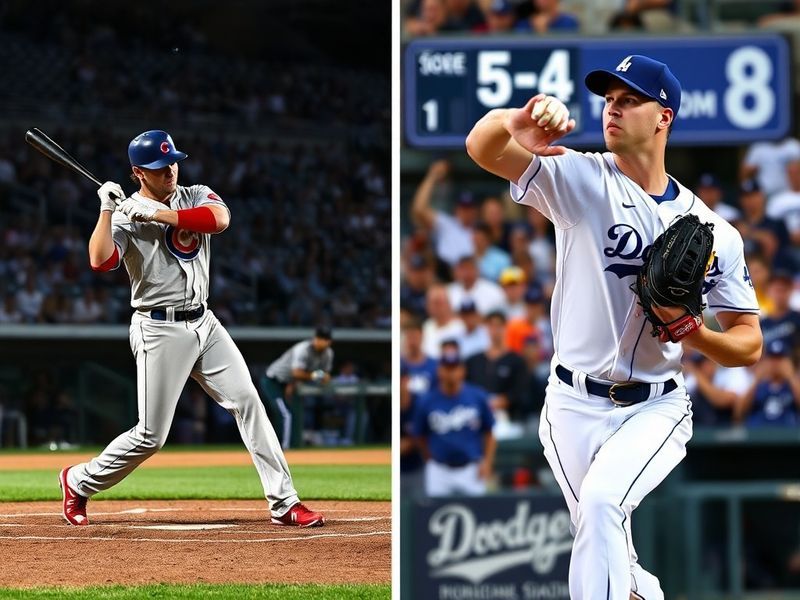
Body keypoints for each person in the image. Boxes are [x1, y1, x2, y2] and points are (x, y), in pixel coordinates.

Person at [466, 54, 762, 599]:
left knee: (602, 506)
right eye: (608, 100)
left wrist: (695, 334)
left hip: (655, 405)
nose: (613, 110)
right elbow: (482, 147)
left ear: (663, 117)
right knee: (607, 548)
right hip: (571, 404)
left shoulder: (715, 231)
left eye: (630, 100)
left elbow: (747, 343)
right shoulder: (580, 178)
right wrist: (515, 122)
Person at [59, 130, 325, 528]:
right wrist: (106, 211)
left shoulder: (194, 193)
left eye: (172, 163)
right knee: (151, 436)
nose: (170, 172)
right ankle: (79, 481)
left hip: (205, 321)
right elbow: (100, 261)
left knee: (248, 401)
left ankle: (285, 502)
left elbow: (219, 220)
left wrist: (156, 214)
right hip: (158, 328)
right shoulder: (124, 215)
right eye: (159, 168)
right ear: (138, 173)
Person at [413, 340, 496, 497]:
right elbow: (419, 435)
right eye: (446, 368)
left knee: (477, 514)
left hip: (471, 468)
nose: (450, 372)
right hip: (439, 470)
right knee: (434, 514)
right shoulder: (426, 400)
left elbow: (490, 432)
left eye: (454, 368)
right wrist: (431, 458)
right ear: (439, 371)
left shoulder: (477, 396)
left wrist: (487, 462)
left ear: (462, 370)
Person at [263, 326, 334, 449]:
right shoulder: (303, 349)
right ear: (315, 338)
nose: (323, 341)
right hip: (273, 381)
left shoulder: (328, 353)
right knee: (285, 414)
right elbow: (296, 372)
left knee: (292, 414)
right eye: (320, 338)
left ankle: (286, 445)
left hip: (290, 382)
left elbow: (325, 374)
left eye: (326, 339)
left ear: (329, 341)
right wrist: (315, 375)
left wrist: (323, 377)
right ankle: (282, 448)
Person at [400, 318, 438, 497]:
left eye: (416, 335)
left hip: (427, 430)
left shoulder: (434, 365)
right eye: (409, 336)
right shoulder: (401, 364)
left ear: (422, 336)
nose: (412, 339)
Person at [735, 340, 799, 426]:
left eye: (780, 359)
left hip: (788, 436)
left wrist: (791, 377)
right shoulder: (758, 385)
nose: (776, 364)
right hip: (759, 436)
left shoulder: (793, 385)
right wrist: (757, 379)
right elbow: (739, 412)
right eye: (772, 358)